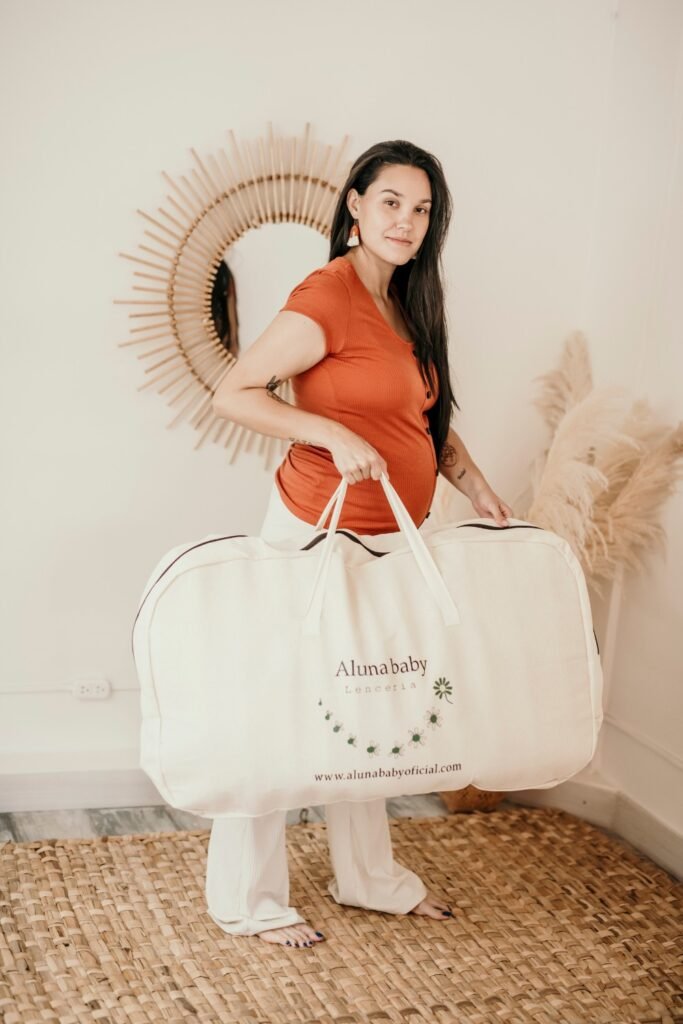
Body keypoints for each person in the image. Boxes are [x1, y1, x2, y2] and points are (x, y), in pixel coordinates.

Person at [208, 139, 513, 949]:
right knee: (281, 712)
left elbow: (421, 421)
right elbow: (233, 392)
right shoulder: (329, 295)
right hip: (314, 533)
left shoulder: (407, 302)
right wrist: (327, 432)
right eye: (390, 202)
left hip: (388, 542)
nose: (406, 221)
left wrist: (474, 486)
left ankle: (368, 879)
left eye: (421, 209)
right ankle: (250, 900)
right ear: (355, 205)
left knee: (367, 708)